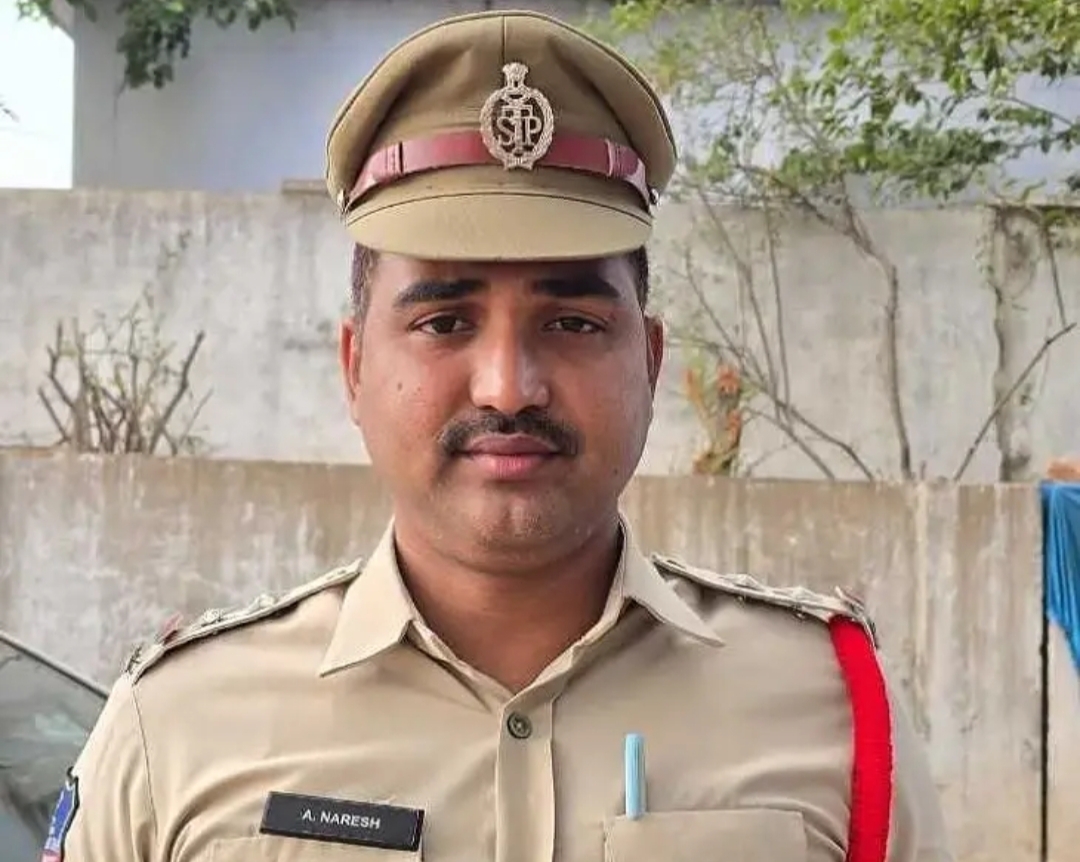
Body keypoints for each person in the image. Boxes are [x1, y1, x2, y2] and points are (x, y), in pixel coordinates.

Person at [44, 9, 952, 862]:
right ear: (355, 365)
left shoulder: (834, 708)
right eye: (444, 323)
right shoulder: (176, 729)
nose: (509, 388)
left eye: (573, 323)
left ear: (650, 360)